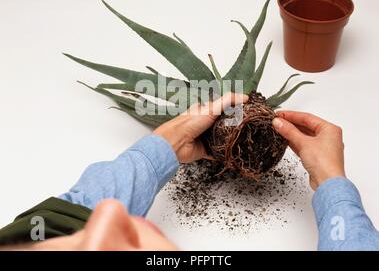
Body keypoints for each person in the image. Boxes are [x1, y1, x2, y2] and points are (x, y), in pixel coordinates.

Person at [0, 93, 378, 250]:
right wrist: (333, 186)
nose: (109, 213)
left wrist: (160, 150)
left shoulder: (48, 227)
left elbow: (64, 215)